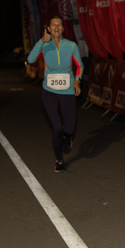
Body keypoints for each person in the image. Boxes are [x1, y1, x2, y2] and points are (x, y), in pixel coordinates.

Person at [27, 16, 83, 172]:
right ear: (48, 29)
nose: (56, 27)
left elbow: (79, 65)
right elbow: (30, 59)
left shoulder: (71, 46)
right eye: (53, 25)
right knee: (57, 127)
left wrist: (77, 80)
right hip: (49, 92)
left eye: (59, 25)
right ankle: (59, 161)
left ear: (63, 29)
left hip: (67, 91)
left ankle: (66, 137)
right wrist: (40, 41)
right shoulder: (44, 45)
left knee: (69, 129)